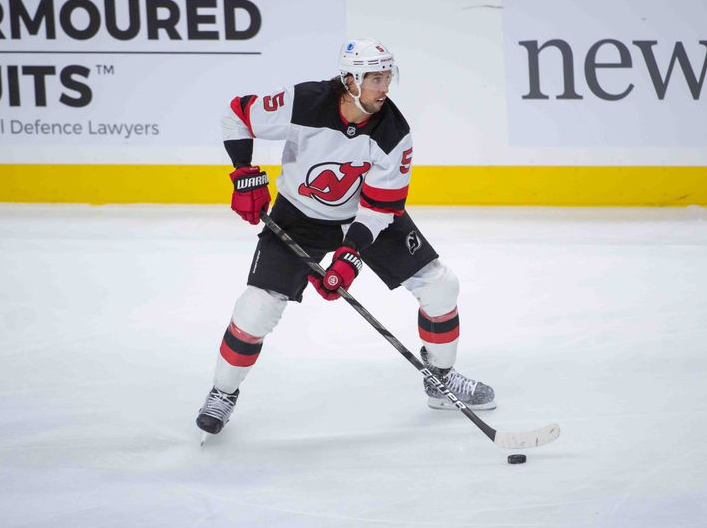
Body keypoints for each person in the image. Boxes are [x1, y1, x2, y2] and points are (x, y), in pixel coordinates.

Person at [196, 38, 495, 436]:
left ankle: (440, 377)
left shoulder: (394, 132)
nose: (384, 87)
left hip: (363, 219)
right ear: (350, 80)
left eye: (387, 76)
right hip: (298, 216)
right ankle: (222, 392)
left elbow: (380, 208)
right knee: (256, 307)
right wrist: (243, 173)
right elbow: (237, 114)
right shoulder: (303, 102)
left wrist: (348, 256)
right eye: (374, 78)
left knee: (441, 286)